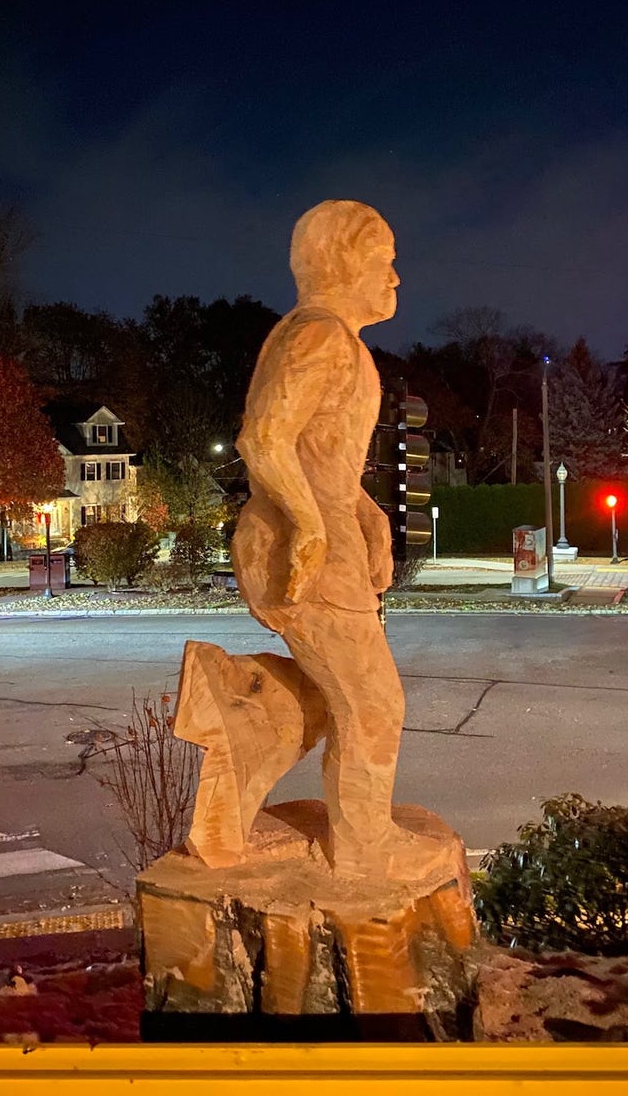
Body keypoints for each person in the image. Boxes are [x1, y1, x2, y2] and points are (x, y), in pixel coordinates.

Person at [232, 200, 440, 878]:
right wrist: (313, 527)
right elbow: (263, 439)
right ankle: (363, 843)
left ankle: (230, 753)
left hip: (326, 546)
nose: (396, 277)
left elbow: (321, 455)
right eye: (385, 260)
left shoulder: (335, 341)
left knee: (332, 697)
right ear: (347, 263)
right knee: (372, 701)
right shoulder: (317, 336)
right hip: (301, 553)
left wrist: (369, 516)